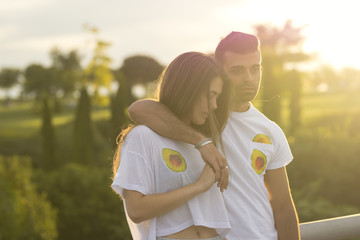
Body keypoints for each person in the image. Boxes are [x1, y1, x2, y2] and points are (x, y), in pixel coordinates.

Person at [128, 32, 301, 240]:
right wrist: (202, 141)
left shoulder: (270, 130)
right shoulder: (201, 114)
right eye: (237, 70)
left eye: (255, 69)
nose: (249, 78)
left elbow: (283, 206)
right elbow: (139, 109)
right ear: (218, 71)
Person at [112, 52, 231, 240]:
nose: (215, 105)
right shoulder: (143, 137)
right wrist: (198, 186)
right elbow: (136, 209)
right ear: (187, 89)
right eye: (210, 95)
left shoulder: (204, 142)